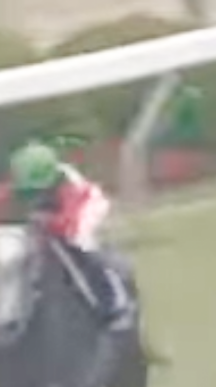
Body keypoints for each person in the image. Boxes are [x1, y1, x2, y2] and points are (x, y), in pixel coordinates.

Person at [8, 140, 133, 329]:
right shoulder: (32, 180)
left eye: (39, 191)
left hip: (87, 207)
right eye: (30, 193)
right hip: (57, 212)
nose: (34, 197)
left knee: (81, 241)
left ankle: (115, 302)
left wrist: (48, 221)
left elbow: (69, 222)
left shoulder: (71, 187)